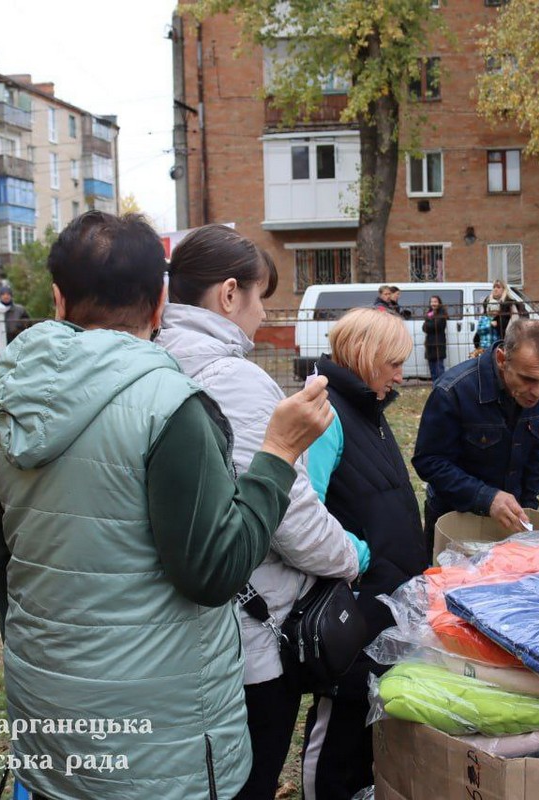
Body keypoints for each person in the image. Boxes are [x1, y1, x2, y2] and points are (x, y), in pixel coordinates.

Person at [0, 211, 334, 800]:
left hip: (48, 703)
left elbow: (4, 562)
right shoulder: (171, 406)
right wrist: (278, 454)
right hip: (157, 733)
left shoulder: (4, 400)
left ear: (58, 298)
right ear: (159, 302)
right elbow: (214, 572)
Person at [156, 225, 365, 799]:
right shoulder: (236, 382)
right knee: (251, 775)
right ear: (229, 295)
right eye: (259, 296)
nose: (261, 311)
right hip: (249, 642)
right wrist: (350, 556)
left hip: (174, 639)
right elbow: (289, 516)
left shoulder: (153, 363)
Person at [299, 308, 424, 800]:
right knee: (341, 726)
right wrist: (362, 556)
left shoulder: (369, 410)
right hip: (353, 603)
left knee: (368, 725)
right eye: (393, 362)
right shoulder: (328, 414)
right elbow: (301, 504)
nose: (400, 374)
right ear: (365, 356)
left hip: (384, 602)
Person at [413, 319, 539, 554]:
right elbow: (429, 461)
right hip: (455, 520)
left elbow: (536, 453)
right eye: (528, 379)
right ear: (502, 360)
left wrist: (529, 509)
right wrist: (486, 497)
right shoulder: (453, 391)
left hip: (511, 522)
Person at [423, 294, 449, 380]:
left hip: (439, 344)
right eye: (431, 302)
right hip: (430, 344)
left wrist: (429, 321)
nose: (433, 303)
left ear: (439, 303)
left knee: (439, 369)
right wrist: (429, 322)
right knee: (432, 370)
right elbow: (424, 328)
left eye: (435, 302)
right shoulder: (429, 313)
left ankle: (441, 387)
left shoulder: (442, 313)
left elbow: (437, 325)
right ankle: (435, 387)